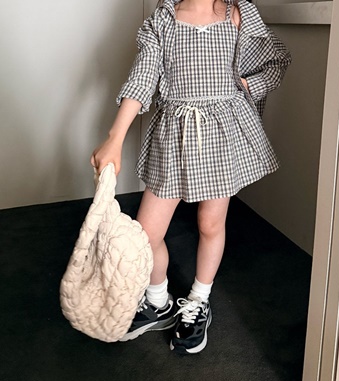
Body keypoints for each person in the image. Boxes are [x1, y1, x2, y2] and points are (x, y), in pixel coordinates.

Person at [91, 0, 291, 354]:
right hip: (175, 136)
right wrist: (115, 137)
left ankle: (199, 299)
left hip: (221, 136)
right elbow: (142, 78)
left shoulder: (237, 14)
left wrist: (249, 84)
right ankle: (158, 301)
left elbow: (277, 60)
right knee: (146, 233)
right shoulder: (164, 20)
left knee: (210, 224)